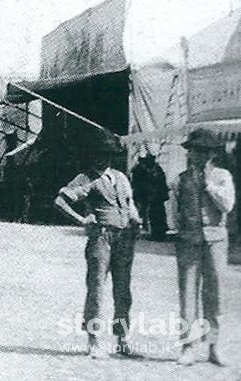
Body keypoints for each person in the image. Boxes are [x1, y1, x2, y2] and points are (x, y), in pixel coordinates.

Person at [54, 131, 142, 359]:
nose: (100, 158)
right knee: (97, 290)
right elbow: (60, 200)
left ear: (112, 156)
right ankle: (93, 340)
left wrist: (136, 218)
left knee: (123, 291)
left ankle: (122, 340)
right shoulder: (86, 178)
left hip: (124, 239)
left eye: (105, 154)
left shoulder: (121, 178)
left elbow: (130, 203)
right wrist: (82, 220)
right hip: (101, 238)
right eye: (96, 153)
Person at [175, 129, 235, 367]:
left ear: (211, 154)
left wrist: (210, 186)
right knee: (187, 295)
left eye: (202, 151)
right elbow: (175, 210)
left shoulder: (222, 176)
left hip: (216, 240)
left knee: (215, 294)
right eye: (193, 150)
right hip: (189, 241)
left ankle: (214, 346)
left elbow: (227, 206)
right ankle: (188, 346)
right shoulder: (181, 179)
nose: (196, 155)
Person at [131, 152, 169, 240]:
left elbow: (162, 183)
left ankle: (159, 233)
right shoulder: (139, 169)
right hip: (144, 195)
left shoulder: (158, 169)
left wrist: (160, 194)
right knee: (144, 213)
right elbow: (136, 183)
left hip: (157, 197)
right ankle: (145, 231)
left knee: (158, 215)